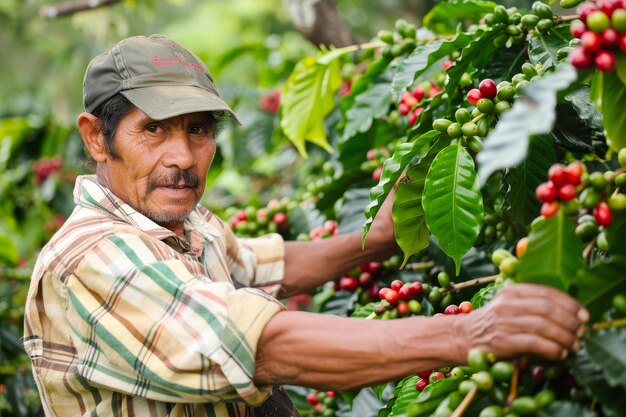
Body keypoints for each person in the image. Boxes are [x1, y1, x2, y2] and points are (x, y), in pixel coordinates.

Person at [24, 34, 588, 417]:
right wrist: (468, 334)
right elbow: (259, 345)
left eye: (198, 130)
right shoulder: (93, 256)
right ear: (97, 136)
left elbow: (263, 265)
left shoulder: (177, 221)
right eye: (154, 131)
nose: (182, 156)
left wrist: (377, 238)